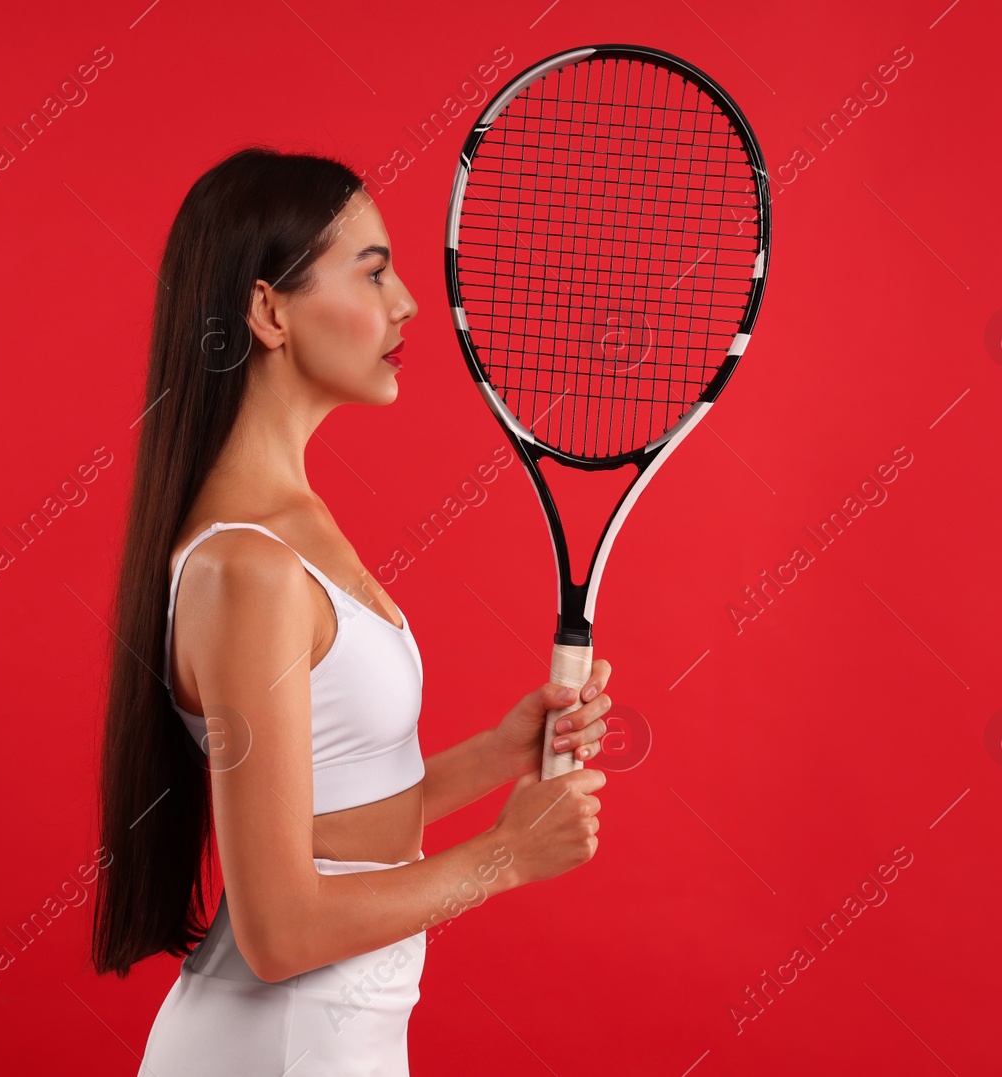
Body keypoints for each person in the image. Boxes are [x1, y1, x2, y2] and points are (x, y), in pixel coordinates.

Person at [91, 146, 613, 1076]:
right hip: (275, 1047)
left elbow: (330, 819)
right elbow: (282, 929)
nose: (408, 303)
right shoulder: (246, 565)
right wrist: (505, 857)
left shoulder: (294, 527)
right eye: (373, 271)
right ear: (268, 311)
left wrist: (496, 756)